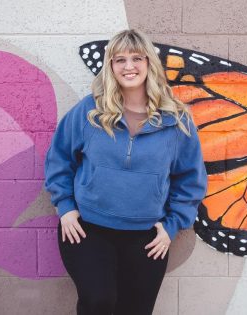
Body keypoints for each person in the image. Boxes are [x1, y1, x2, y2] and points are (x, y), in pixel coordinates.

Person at [44, 29, 207, 315]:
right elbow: (60, 158)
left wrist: (171, 226)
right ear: (110, 66)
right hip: (88, 230)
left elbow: (190, 179)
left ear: (149, 63)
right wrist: (65, 207)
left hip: (146, 237)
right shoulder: (90, 111)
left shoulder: (176, 120)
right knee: (98, 302)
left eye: (136, 58)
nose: (128, 66)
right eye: (119, 60)